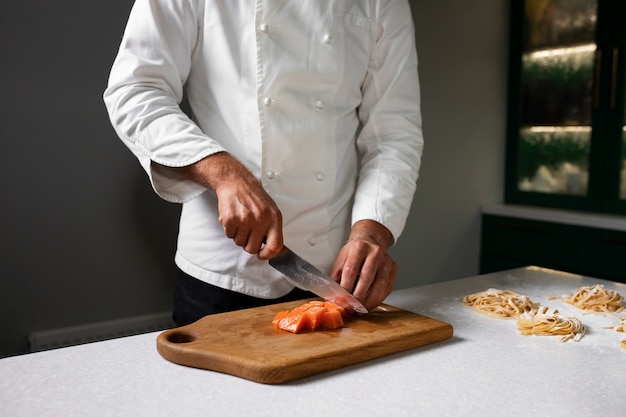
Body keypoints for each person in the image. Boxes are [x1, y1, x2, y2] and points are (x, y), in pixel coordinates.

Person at [104, 0, 424, 326]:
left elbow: (394, 134)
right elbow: (136, 90)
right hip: (221, 266)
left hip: (333, 273)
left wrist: (371, 233)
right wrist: (222, 172)